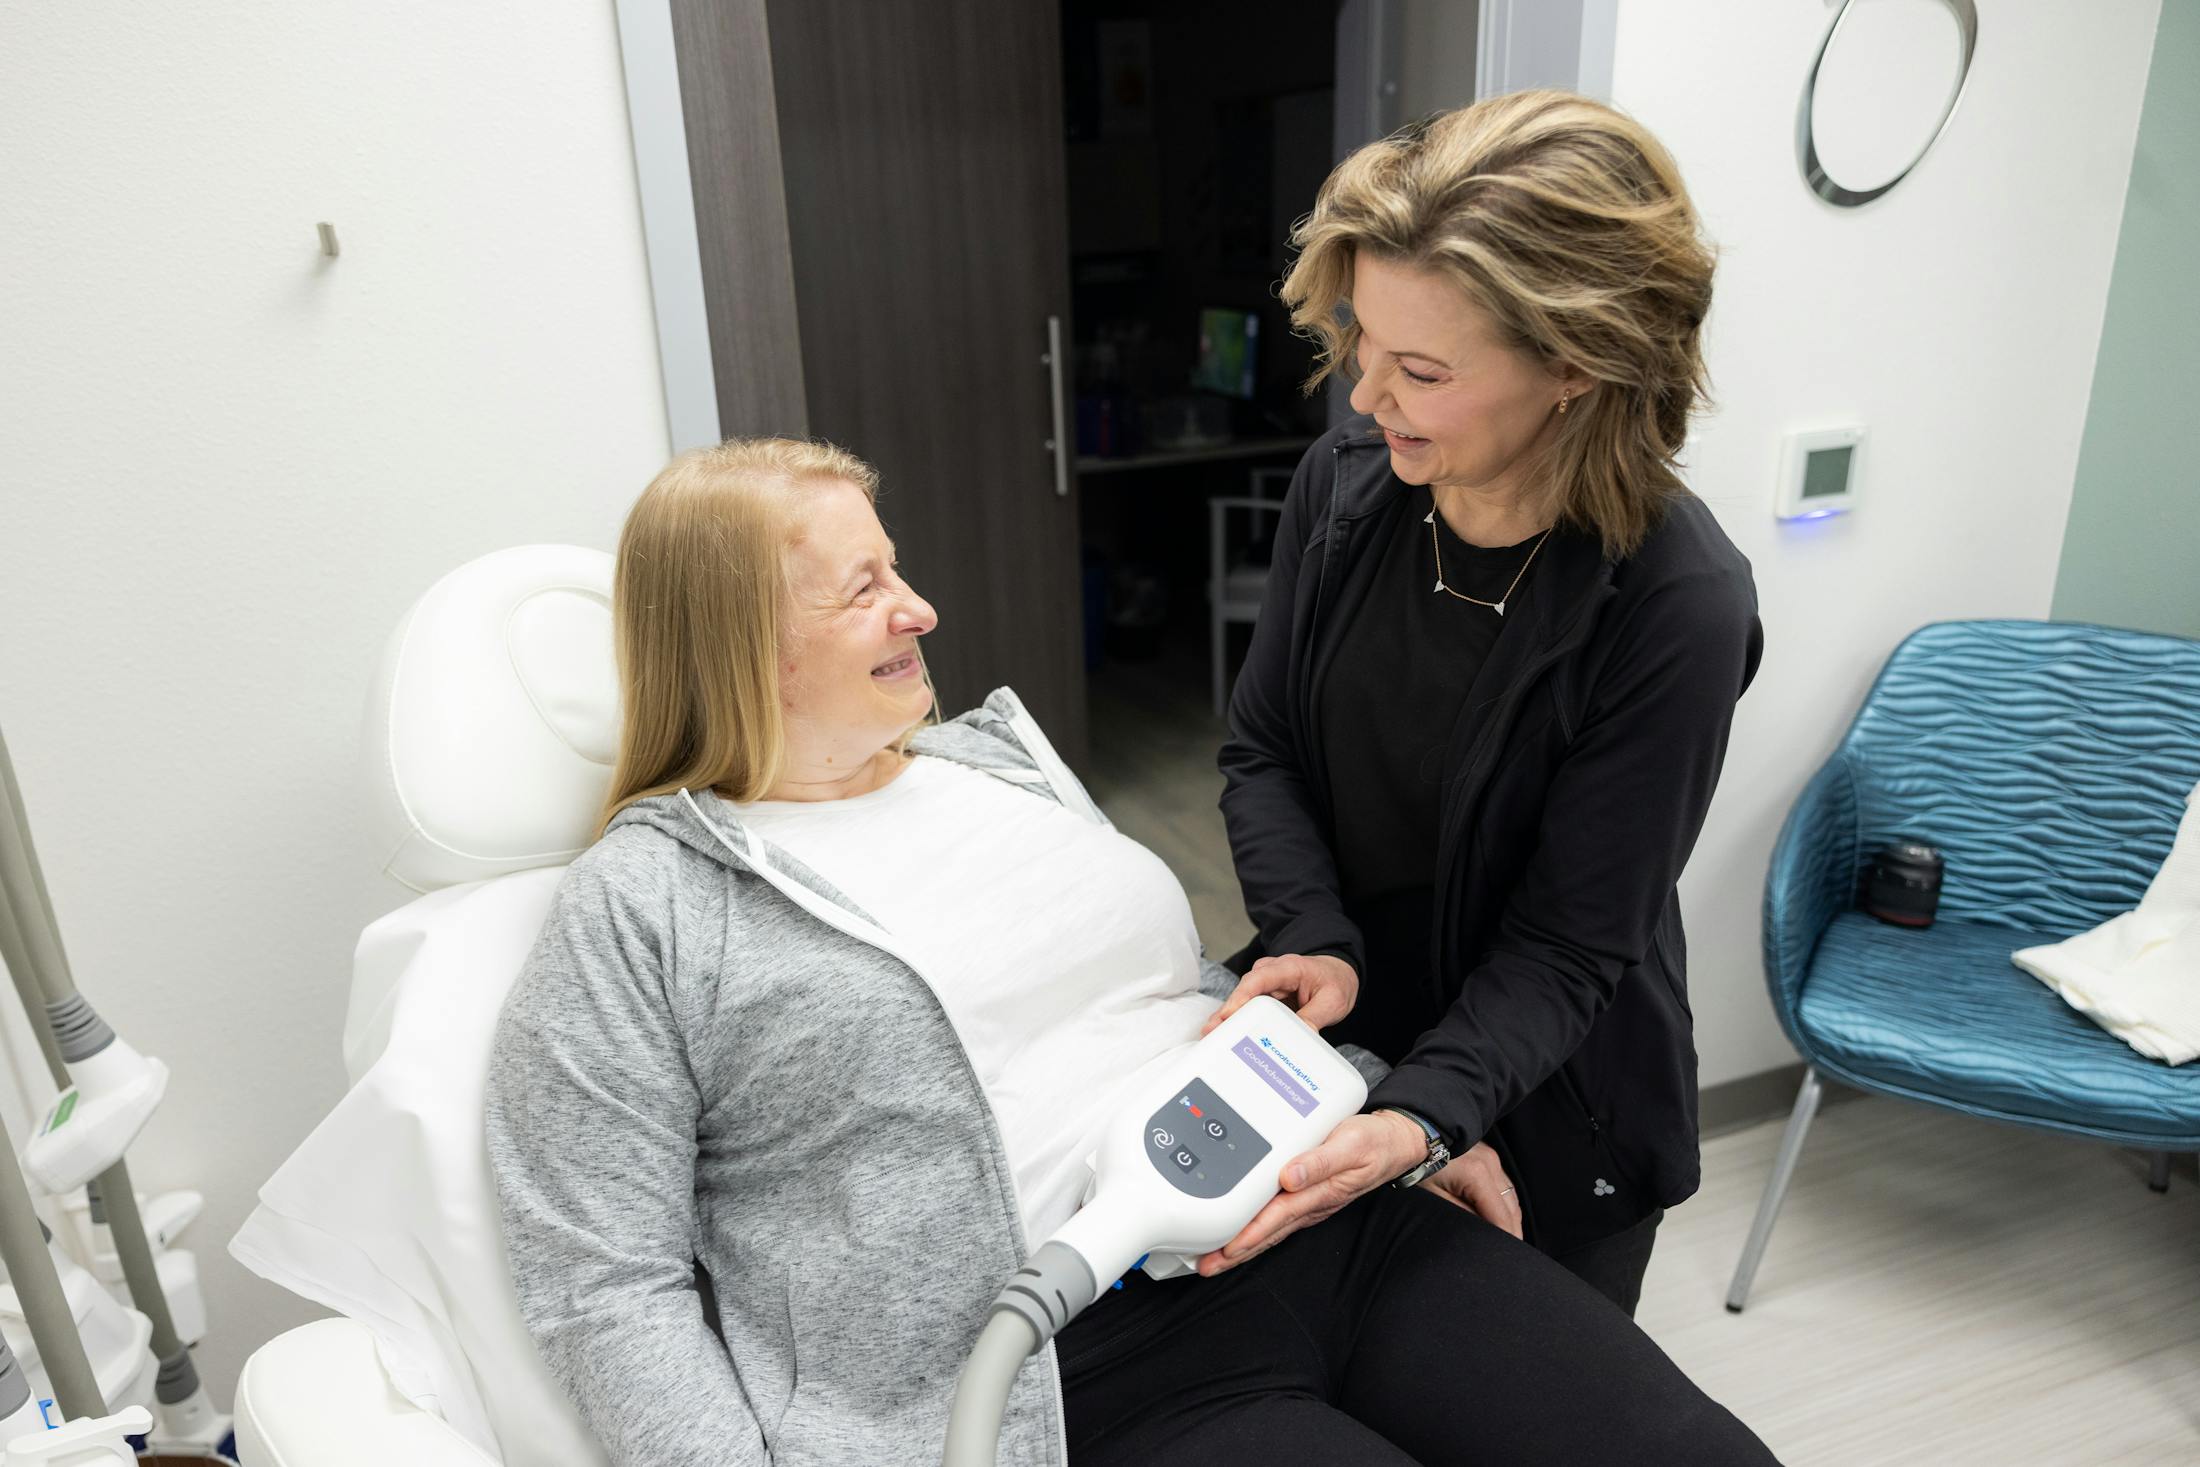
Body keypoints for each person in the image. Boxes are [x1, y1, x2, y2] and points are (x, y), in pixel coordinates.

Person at [485, 438, 1776, 1465]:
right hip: (1084, 1361)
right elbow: (604, 1280)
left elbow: (1172, 1000)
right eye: (862, 589)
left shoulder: (995, 767)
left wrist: (1395, 1114)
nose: (920, 607)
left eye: (898, 567)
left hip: (1329, 1221)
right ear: (734, 640)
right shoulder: (645, 906)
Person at [1209, 90, 1762, 1316]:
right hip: (1342, 1053)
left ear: (1574, 365)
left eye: (1420, 370)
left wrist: (1424, 1115)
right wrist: (1312, 935)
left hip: (1551, 1095)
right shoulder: (1346, 488)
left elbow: (1569, 943)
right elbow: (1265, 747)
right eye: (1363, 342)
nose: (1365, 397)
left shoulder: (1674, 603)